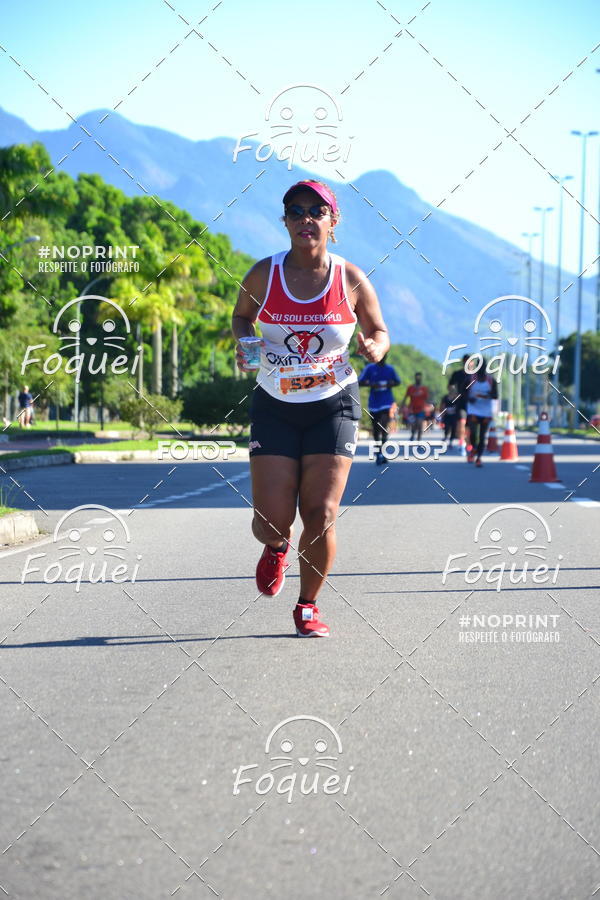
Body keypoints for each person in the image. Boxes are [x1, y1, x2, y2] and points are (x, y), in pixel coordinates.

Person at [232, 179, 390, 638]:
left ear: (332, 221)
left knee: (320, 512)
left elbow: (379, 330)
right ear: (285, 221)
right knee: (270, 520)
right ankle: (276, 546)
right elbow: (242, 316)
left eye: (316, 211)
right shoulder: (265, 274)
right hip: (275, 404)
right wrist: (248, 343)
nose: (306, 219)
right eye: (296, 211)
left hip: (333, 404)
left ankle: (307, 606)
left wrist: (373, 348)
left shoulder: (351, 279)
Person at [358, 354, 401, 464]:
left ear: (386, 357)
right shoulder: (370, 368)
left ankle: (383, 452)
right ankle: (378, 453)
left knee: (384, 428)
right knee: (376, 430)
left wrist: (391, 383)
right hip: (374, 404)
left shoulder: (390, 369)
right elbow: (360, 381)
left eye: (384, 357)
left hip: (386, 403)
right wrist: (371, 384)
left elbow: (397, 381)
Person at [466, 363, 498, 466]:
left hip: (486, 412)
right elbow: (463, 392)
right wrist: (469, 398)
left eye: (483, 367)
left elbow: (496, 395)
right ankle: (474, 448)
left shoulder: (491, 380)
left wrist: (489, 394)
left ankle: (479, 458)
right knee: (474, 433)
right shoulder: (470, 379)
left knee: (483, 435)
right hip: (473, 410)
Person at [448, 354, 475, 456]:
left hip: (473, 404)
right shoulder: (457, 374)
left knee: (470, 426)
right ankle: (462, 444)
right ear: (463, 362)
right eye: (466, 361)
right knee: (462, 423)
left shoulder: (476, 375)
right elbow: (450, 385)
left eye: (470, 361)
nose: (468, 363)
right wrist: (453, 393)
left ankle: (469, 443)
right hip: (461, 402)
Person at [402, 372, 429, 441]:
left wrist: (428, 407)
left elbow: (427, 399)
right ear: (415, 378)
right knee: (413, 424)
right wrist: (402, 405)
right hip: (412, 409)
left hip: (421, 409)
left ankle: (419, 439)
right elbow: (406, 397)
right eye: (417, 377)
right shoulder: (410, 388)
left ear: (421, 378)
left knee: (419, 424)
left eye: (419, 377)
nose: (418, 379)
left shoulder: (424, 388)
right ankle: (413, 434)